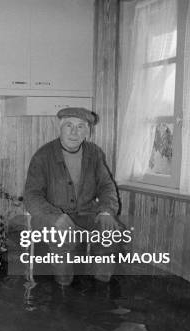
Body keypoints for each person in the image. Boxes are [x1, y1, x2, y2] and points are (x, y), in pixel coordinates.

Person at [23, 107, 121, 286]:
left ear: (87, 132)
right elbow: (31, 195)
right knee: (63, 238)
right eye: (69, 125)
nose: (74, 132)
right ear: (60, 128)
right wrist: (53, 216)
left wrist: (106, 212)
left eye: (81, 127)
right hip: (52, 216)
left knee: (112, 233)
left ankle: (101, 291)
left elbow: (107, 187)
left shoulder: (95, 153)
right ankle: (63, 290)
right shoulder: (43, 155)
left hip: (86, 214)